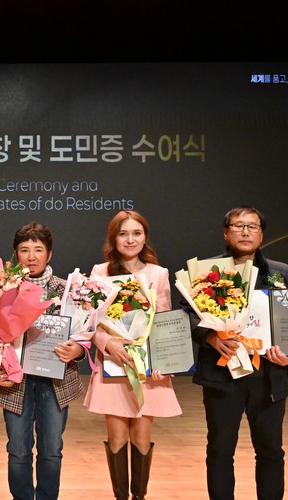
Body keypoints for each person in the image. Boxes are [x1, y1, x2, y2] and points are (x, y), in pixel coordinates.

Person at [190, 206, 288, 500]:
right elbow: (187, 316)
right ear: (226, 233)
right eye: (238, 226)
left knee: (270, 451)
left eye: (252, 226)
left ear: (261, 234)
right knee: (220, 450)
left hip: (269, 375)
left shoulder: (283, 273)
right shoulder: (205, 272)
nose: (245, 232)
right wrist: (210, 336)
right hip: (222, 374)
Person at [83, 210, 181, 500]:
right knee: (117, 439)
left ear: (145, 237)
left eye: (136, 233)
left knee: (141, 438)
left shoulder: (158, 274)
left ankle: (139, 496)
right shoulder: (100, 272)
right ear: (113, 238)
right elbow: (89, 322)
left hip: (146, 369)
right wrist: (107, 343)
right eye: (123, 234)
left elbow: (162, 321)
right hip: (113, 364)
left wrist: (164, 361)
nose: (130, 239)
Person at [0, 222, 85, 500]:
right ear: (15, 254)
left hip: (55, 380)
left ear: (49, 254)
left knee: (51, 450)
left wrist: (78, 350)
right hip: (15, 382)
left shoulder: (69, 290)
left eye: (38, 249)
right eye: (24, 249)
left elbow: (85, 334)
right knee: (18, 450)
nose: (31, 256)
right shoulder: (2, 290)